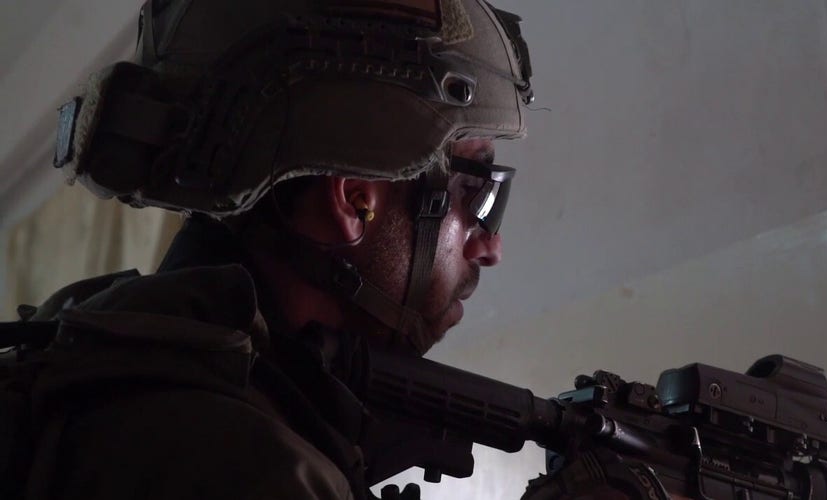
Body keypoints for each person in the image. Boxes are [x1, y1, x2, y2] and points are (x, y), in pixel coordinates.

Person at [6, 0, 537, 499]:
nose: (490, 246)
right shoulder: (244, 461)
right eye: (475, 189)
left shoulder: (101, 349)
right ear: (354, 201)